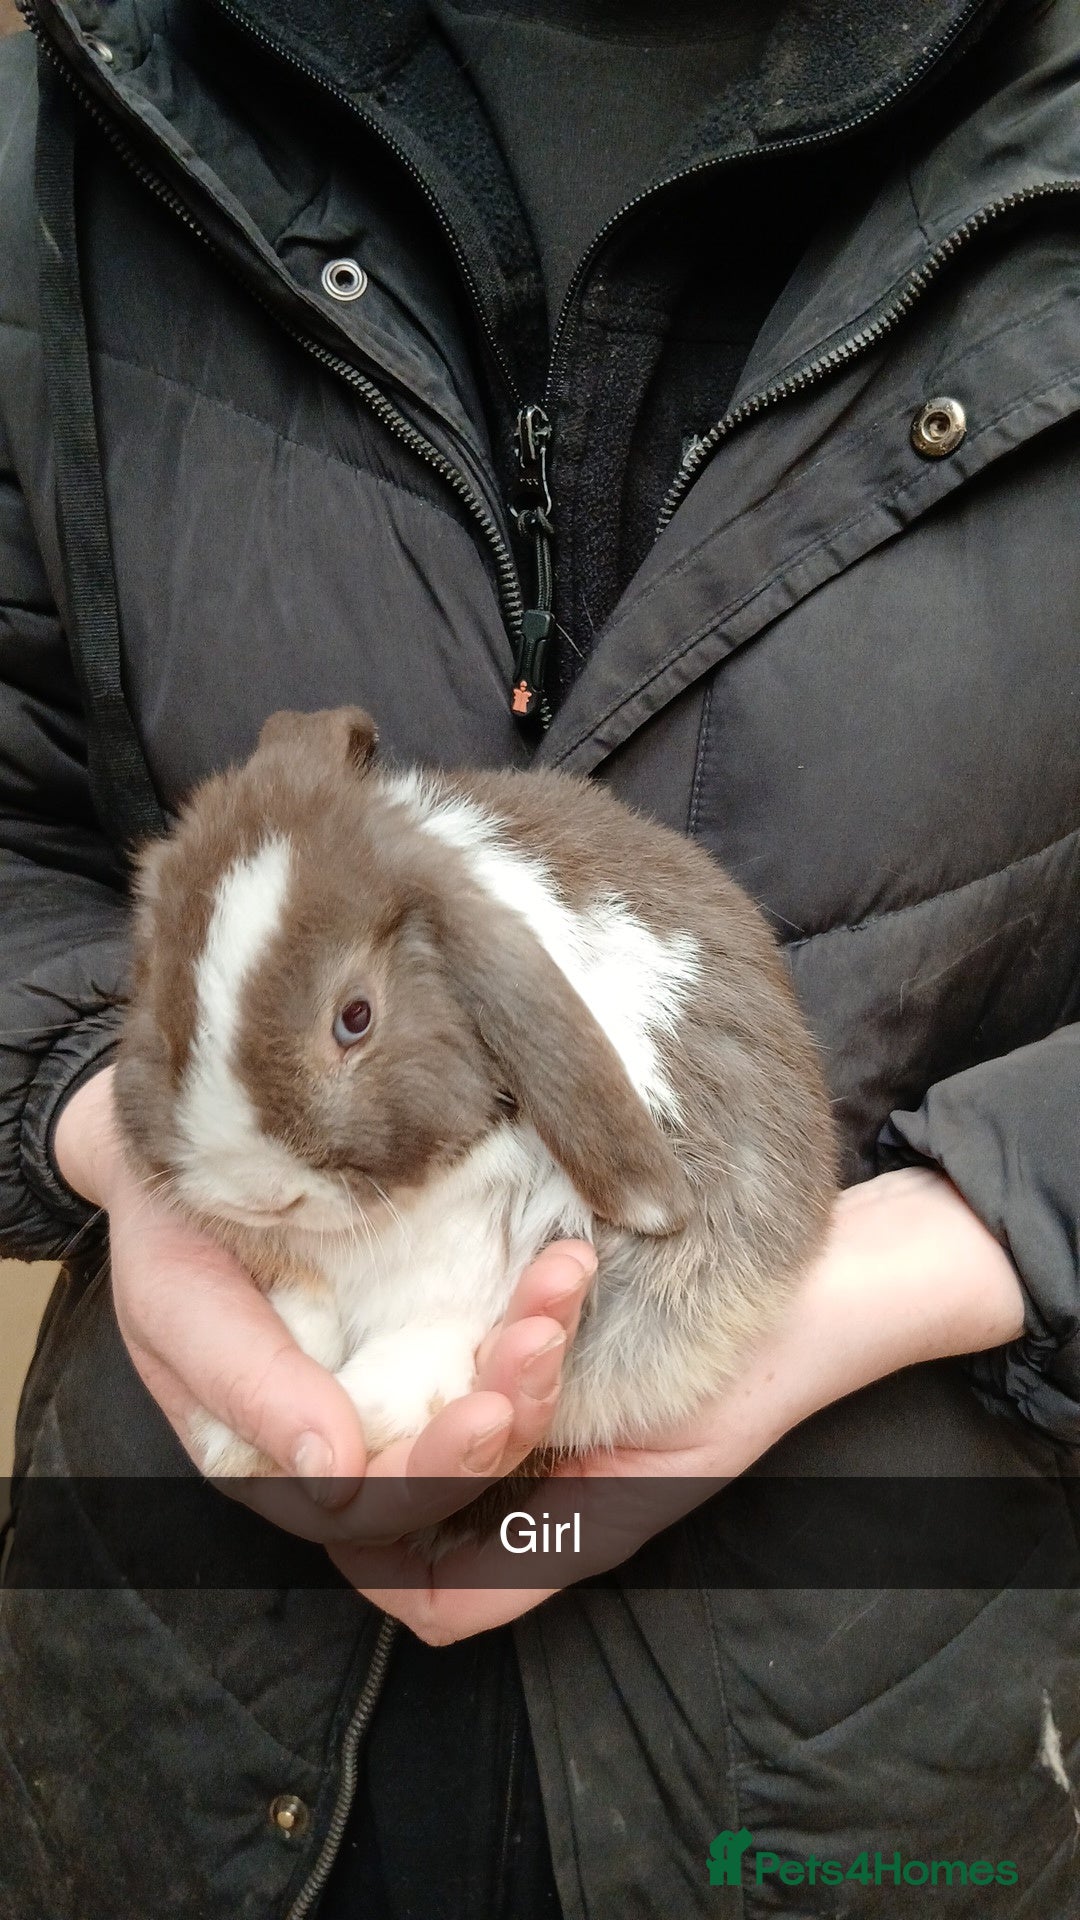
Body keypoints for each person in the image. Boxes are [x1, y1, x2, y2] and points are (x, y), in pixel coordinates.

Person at [1, 0, 1079, 1913]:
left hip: (877, 1738)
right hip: (182, 1729)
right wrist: (127, 1138)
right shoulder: (81, 101)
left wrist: (896, 1271)